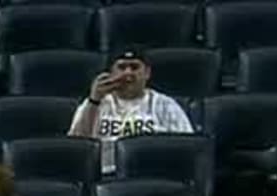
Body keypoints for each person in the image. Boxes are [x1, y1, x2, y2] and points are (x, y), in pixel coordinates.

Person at [69, 46, 192, 176]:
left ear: (147, 73)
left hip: (150, 175)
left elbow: (186, 149)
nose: (128, 73)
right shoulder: (94, 103)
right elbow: (76, 150)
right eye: (122, 67)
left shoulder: (165, 105)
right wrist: (94, 100)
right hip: (103, 177)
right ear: (111, 73)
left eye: (134, 67)